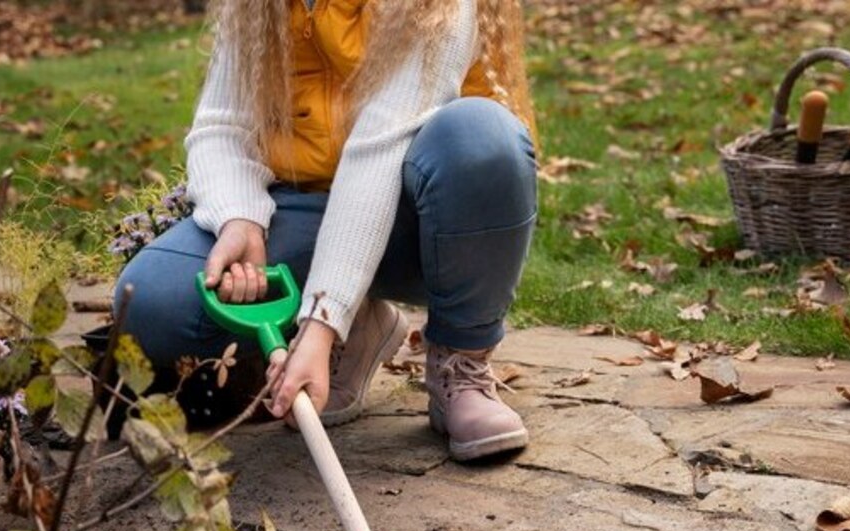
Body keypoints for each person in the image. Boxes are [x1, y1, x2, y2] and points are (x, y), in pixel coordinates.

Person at [116, 0, 538, 461]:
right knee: (154, 302)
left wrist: (319, 324)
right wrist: (239, 215)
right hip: (305, 206)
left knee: (481, 135)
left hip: (429, 219)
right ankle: (362, 323)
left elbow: (379, 147)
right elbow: (221, 125)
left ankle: (461, 361)